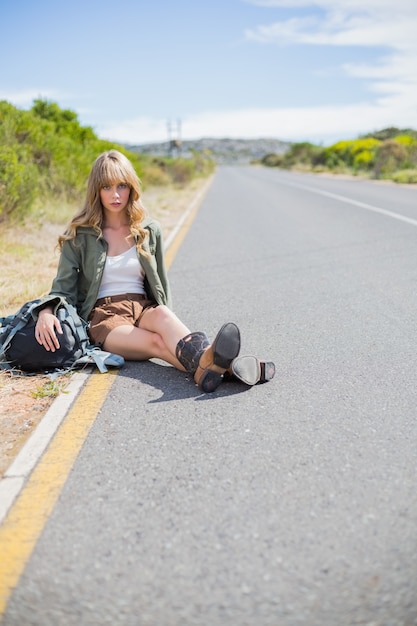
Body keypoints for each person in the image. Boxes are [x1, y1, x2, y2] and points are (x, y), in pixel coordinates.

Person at [34, 150, 274, 393]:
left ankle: (209, 370)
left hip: (144, 307)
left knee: (164, 317)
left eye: (122, 186)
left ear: (132, 187)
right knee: (157, 342)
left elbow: (160, 283)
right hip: (105, 317)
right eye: (107, 187)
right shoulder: (80, 234)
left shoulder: (149, 229)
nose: (115, 195)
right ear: (96, 190)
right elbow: (62, 285)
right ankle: (228, 367)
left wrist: (165, 314)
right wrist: (46, 311)